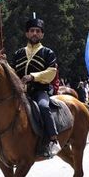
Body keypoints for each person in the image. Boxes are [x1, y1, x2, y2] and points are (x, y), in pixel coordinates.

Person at [12, 15, 60, 158]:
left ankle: (52, 140)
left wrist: (33, 76)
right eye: (32, 30)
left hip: (39, 91)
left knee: (44, 107)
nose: (34, 33)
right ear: (27, 33)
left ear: (42, 34)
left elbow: (51, 72)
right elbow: (13, 72)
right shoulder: (18, 53)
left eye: (38, 31)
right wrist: (4, 65)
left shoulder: (48, 53)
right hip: (21, 92)